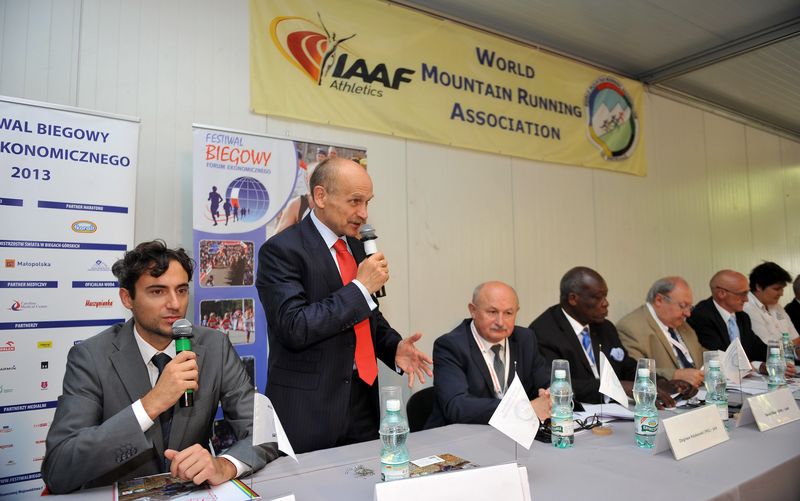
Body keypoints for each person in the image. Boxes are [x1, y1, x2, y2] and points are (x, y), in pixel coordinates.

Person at [42, 241, 277, 494]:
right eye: (157, 291)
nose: (175, 303)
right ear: (127, 298)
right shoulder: (91, 357)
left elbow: (264, 433)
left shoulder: (215, 346)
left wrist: (224, 465)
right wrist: (151, 404)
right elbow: (59, 468)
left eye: (182, 290)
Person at [256, 157, 432, 454]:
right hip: (308, 412)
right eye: (355, 201)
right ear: (321, 196)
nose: (363, 213)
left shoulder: (357, 247)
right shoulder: (281, 250)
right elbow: (294, 327)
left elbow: (368, 316)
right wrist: (360, 287)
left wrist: (393, 347)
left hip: (362, 402)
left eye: (367, 202)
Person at [530, 267, 690, 407]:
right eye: (597, 297)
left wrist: (659, 382)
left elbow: (627, 367)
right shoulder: (543, 332)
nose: (605, 303)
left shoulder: (604, 327)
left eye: (605, 297)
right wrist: (614, 388)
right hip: (575, 414)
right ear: (573, 299)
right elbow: (556, 384)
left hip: (616, 411)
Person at [426, 281, 551, 428]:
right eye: (492, 312)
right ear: (473, 310)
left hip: (514, 432)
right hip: (461, 435)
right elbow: (456, 406)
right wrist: (521, 409)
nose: (500, 322)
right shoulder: (451, 345)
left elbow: (545, 382)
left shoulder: (525, 339)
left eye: (508, 313)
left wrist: (551, 395)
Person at [617, 277, 705, 388]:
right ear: (659, 300)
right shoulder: (631, 327)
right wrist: (674, 375)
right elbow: (635, 372)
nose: (688, 314)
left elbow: (700, 353)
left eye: (690, 307)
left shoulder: (682, 324)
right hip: (667, 393)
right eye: (683, 306)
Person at [687, 270, 768, 363]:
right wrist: (757, 365)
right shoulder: (701, 316)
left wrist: (776, 357)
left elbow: (756, 347)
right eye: (742, 294)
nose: (746, 299)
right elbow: (720, 355)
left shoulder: (743, 317)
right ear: (721, 293)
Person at [742, 262, 800, 358]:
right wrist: (791, 346)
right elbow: (768, 348)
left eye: (782, 289)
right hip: (766, 363)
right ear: (759, 286)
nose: (781, 293)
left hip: (789, 360)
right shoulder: (747, 308)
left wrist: (789, 347)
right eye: (776, 289)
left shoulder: (776, 305)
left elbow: (797, 339)